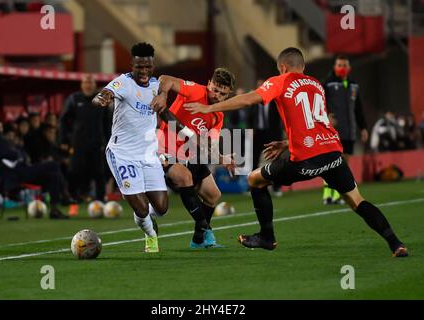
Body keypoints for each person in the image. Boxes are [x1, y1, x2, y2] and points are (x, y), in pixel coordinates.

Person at [185, 47, 408, 258]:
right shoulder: (316, 84)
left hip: (306, 159)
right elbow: (314, 122)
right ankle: (396, 243)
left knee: (255, 179)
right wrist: (286, 142)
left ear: (282, 67)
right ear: (302, 66)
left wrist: (209, 108)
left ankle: (267, 237)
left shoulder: (280, 81)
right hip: (332, 154)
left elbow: (248, 100)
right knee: (357, 201)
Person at [92, 42, 169, 253]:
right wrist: (102, 99)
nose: (143, 71)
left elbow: (164, 115)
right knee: (142, 208)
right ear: (132, 65)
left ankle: (146, 217)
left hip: (148, 155)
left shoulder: (156, 86)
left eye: (148, 67)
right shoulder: (123, 83)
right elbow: (105, 93)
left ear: (153, 65)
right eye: (139, 67)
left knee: (161, 208)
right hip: (122, 154)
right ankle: (151, 235)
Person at [150, 68, 236, 248]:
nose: (217, 95)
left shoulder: (218, 115)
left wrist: (222, 159)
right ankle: (207, 230)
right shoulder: (195, 90)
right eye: (215, 89)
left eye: (223, 94)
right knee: (185, 178)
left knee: (213, 195)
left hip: (189, 155)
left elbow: (209, 146)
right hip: (165, 147)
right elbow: (165, 78)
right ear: (209, 83)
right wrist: (164, 95)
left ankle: (197, 240)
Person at [0, 117, 68, 219]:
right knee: (53, 165)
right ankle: (65, 195)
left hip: (21, 172)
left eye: (0, 127)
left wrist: (19, 154)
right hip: (16, 175)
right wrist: (19, 154)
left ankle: (55, 209)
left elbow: (19, 153)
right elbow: (14, 155)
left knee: (53, 175)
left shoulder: (2, 141)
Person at [322, 55, 369, 205]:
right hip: (333, 131)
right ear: (335, 67)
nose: (342, 68)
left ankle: (336, 195)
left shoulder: (354, 85)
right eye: (339, 65)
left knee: (344, 165)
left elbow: (359, 109)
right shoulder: (327, 84)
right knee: (332, 164)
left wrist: (363, 128)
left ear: (349, 68)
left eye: (344, 65)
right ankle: (328, 194)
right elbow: (319, 103)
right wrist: (326, 116)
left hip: (349, 132)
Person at [60, 74, 111, 203]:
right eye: (86, 83)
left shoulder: (101, 100)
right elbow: (63, 120)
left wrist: (110, 141)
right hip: (78, 143)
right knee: (74, 171)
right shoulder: (74, 99)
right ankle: (71, 197)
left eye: (91, 83)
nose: (88, 85)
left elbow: (108, 123)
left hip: (97, 143)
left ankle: (100, 199)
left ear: (94, 85)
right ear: (82, 85)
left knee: (99, 172)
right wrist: (64, 139)